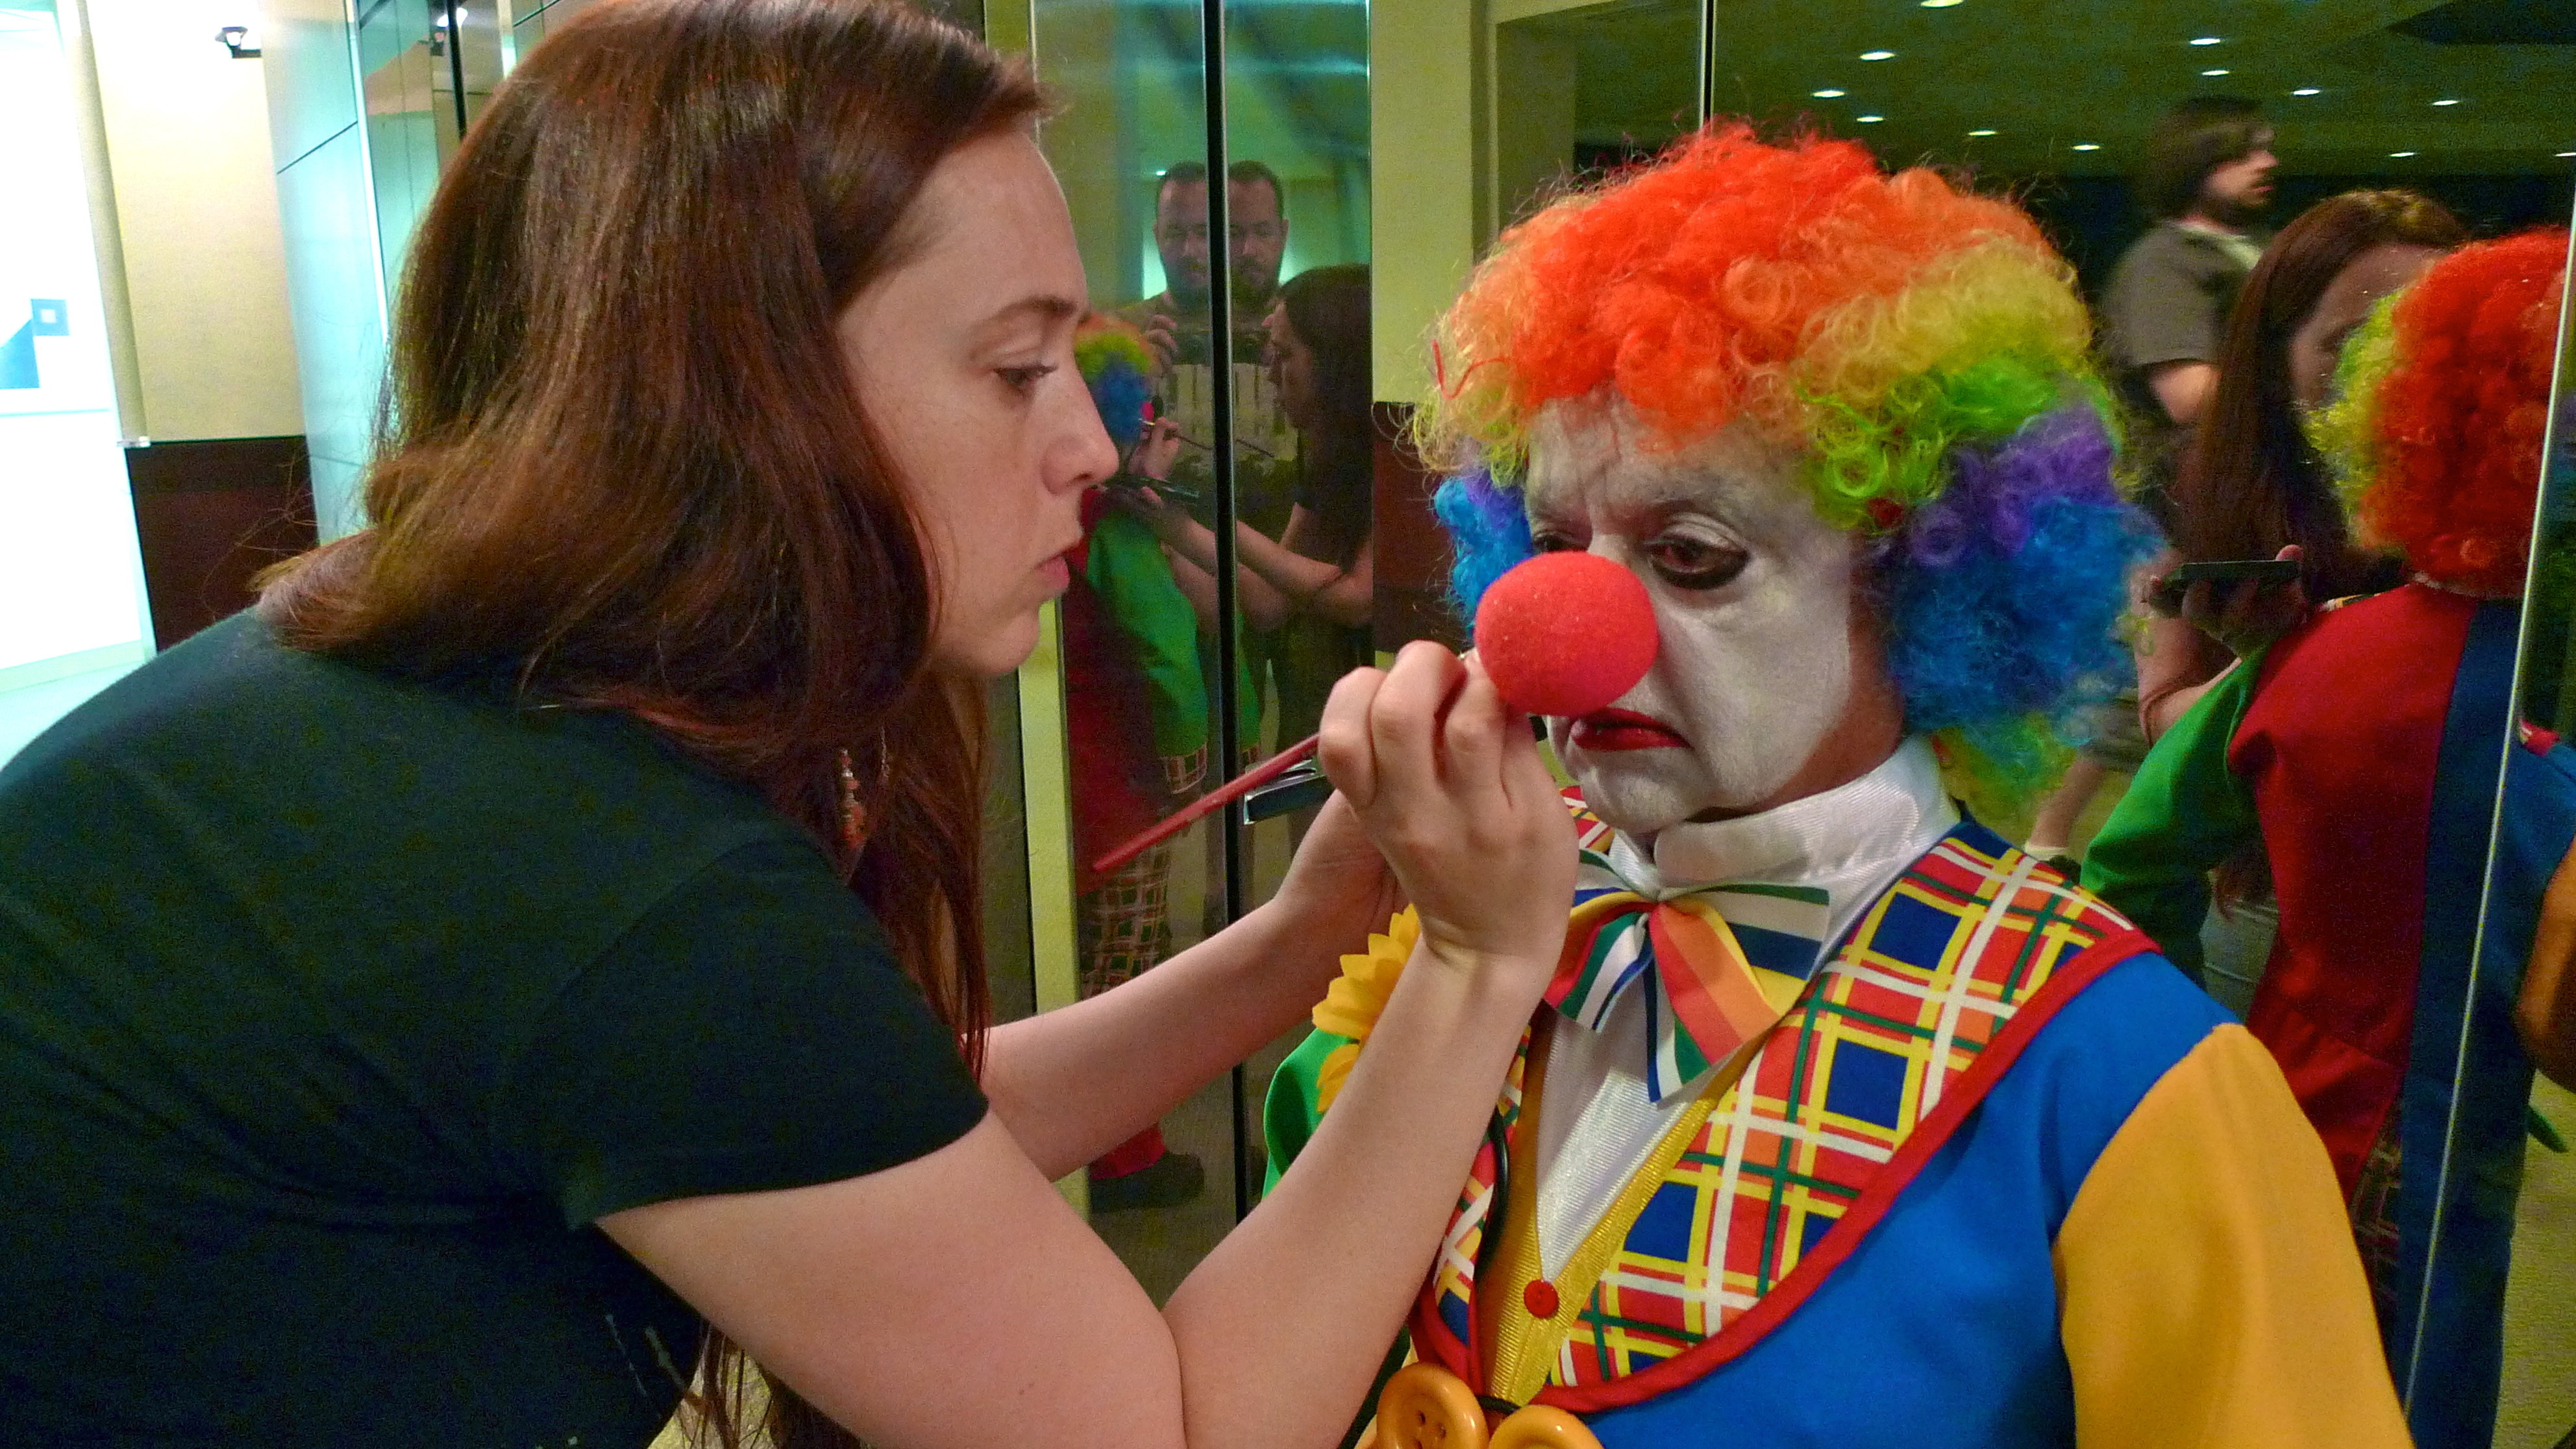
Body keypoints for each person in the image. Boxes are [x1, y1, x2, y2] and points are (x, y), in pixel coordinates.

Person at [0, 5, 1580, 1448]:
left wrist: (1300, 935)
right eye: (1018, 366)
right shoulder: (602, 863)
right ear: (734, 394)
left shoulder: (476, 685)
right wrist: (1472, 960)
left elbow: (887, 1133)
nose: (1084, 453)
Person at [1266, 126, 2406, 1448]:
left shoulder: (2130, 1081)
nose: (1567, 631)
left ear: (1919, 584)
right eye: (1557, 542)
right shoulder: (1482, 929)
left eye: (1693, 556)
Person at [2085, 229, 2574, 1449]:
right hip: (2445, 1127)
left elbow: (2131, 863)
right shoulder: (2520, 689)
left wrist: (2187, 1042)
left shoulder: (2317, 654)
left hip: (2304, 1079)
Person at [2119, 190, 2466, 1014]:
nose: (2393, 375)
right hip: (2274, 878)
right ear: (2275, 359)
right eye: (2353, 344)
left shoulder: (2502, 501)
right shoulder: (2196, 489)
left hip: (2465, 883)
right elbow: (2161, 717)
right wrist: (2260, 664)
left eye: (2432, 340)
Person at [1128, 264, 1376, 749]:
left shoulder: (1391, 446)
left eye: (1284, 355)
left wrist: (1214, 520)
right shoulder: (1326, 448)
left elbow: (1357, 599)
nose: (1269, 373)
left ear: (1337, 363)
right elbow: (1268, 603)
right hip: (1336, 698)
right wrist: (1167, 520)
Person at [2102, 95, 2279, 441]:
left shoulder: (2266, 244)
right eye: (2244, 153)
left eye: (2267, 150)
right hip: (2205, 476)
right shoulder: (2163, 260)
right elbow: (2188, 399)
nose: (2267, 163)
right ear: (2198, 161)